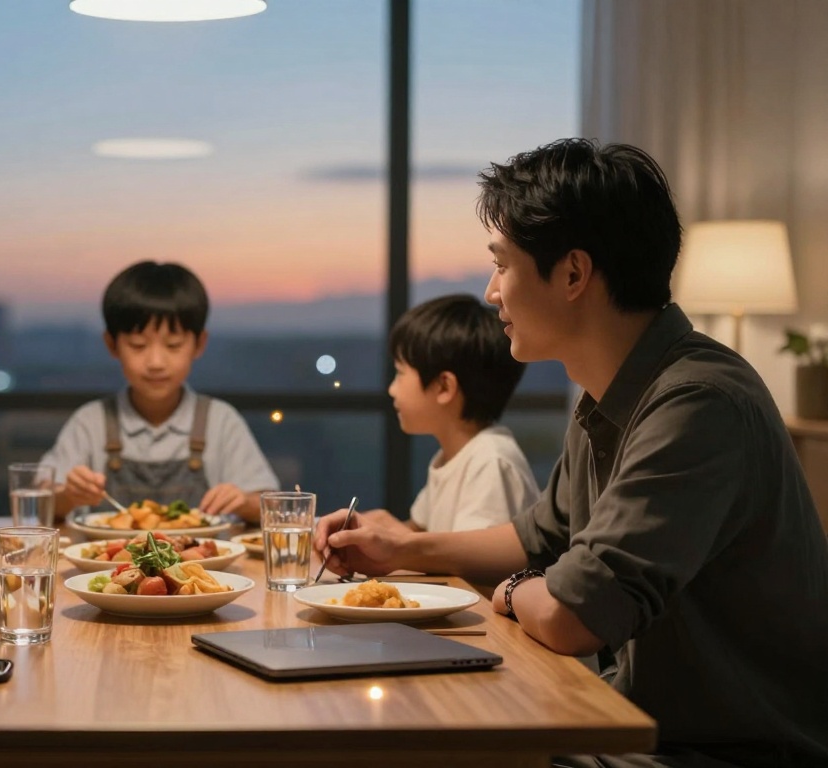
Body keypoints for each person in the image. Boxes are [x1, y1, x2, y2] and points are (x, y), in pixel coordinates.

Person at [313, 139, 828, 767]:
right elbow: (538, 535)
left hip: (712, 752)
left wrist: (515, 590)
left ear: (574, 274)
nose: (492, 290)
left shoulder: (698, 403)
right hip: (626, 721)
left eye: (502, 265)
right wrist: (399, 550)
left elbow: (568, 616)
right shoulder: (609, 396)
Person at [41, 260, 279, 523]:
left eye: (173, 345)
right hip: (105, 562)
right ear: (112, 345)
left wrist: (243, 502)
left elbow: (273, 509)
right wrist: (69, 495)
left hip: (203, 562)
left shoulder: (220, 420)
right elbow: (40, 502)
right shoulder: (91, 421)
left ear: (199, 344)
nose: (156, 362)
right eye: (138, 345)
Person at [387, 293, 538, 532]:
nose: (392, 389)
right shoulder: (454, 455)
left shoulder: (490, 462)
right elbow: (416, 532)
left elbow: (477, 563)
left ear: (444, 387)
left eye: (400, 372)